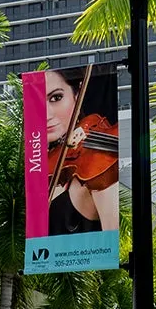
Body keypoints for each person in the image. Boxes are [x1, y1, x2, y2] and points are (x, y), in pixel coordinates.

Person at [44, 66, 120, 237]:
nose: (46, 114)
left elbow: (112, 239)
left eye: (56, 97)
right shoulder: (42, 164)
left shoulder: (99, 167)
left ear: (76, 96)